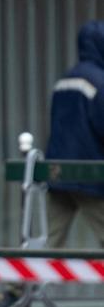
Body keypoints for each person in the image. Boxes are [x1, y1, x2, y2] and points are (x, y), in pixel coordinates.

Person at [44, 21, 104, 248]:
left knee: (48, 241)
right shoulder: (100, 82)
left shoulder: (65, 80)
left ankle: (20, 283)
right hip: (90, 173)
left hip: (58, 171)